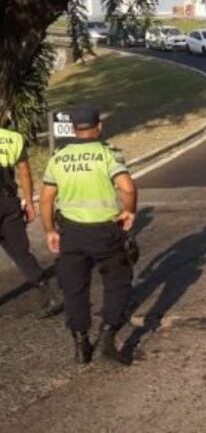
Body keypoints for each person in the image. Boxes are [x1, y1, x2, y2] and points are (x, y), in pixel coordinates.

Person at [39, 107, 137, 365]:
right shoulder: (108, 153)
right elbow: (127, 187)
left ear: (73, 129)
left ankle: (81, 343)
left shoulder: (58, 157)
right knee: (118, 280)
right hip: (105, 231)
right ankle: (107, 336)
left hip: (70, 232)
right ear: (99, 126)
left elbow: (47, 198)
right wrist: (129, 211)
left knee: (74, 288)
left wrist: (49, 230)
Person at [0, 118, 61, 318]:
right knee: (21, 252)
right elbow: (25, 174)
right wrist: (29, 202)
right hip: (8, 202)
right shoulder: (14, 139)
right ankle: (47, 293)